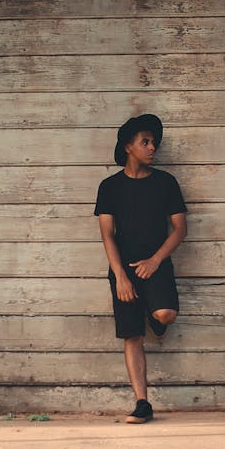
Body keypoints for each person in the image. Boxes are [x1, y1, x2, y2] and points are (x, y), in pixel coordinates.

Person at [94, 114, 188, 424]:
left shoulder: (166, 182)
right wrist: (120, 275)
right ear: (128, 147)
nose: (152, 147)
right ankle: (142, 402)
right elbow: (107, 233)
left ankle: (154, 314)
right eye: (145, 142)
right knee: (132, 334)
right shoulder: (109, 187)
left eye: (154, 143)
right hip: (124, 268)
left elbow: (179, 228)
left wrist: (156, 260)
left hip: (156, 263)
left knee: (165, 315)